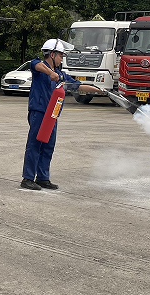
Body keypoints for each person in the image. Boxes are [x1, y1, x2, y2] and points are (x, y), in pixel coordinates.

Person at [20, 38, 106, 190]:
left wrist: (98, 90)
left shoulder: (61, 75)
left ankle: (42, 178)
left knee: (48, 146)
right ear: (52, 54)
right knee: (35, 144)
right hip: (39, 111)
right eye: (60, 55)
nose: (62, 59)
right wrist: (50, 73)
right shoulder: (39, 67)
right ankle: (27, 178)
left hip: (52, 115)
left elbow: (78, 86)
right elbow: (36, 64)